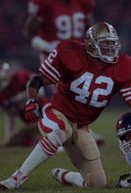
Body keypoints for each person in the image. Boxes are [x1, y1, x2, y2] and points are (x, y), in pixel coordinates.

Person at [0, 22, 131, 189]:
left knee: (97, 183)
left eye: (112, 43)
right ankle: (17, 178)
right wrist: (31, 101)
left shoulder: (127, 66)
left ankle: (66, 176)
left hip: (81, 127)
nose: (110, 49)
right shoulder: (70, 52)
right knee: (60, 131)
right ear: (91, 44)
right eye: (105, 44)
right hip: (56, 113)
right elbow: (37, 80)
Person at [23, 0, 103, 144]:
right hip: (54, 55)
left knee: (82, 93)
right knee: (63, 93)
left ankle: (78, 131)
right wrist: (47, 45)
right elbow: (29, 32)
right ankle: (60, 132)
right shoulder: (44, 3)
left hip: (78, 55)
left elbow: (91, 28)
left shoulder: (84, 3)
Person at [0, 62, 47, 146]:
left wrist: (21, 98)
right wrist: (9, 137)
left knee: (22, 134)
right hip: (31, 123)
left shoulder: (22, 77)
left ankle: (42, 139)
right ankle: (39, 140)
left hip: (44, 114)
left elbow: (40, 92)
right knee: (16, 140)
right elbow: (10, 115)